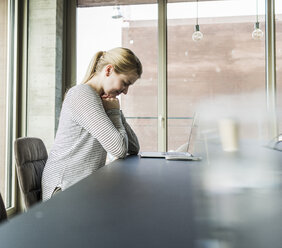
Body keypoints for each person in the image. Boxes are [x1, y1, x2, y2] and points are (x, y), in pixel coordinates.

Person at [42, 47, 142, 201]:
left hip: (82, 186)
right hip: (64, 190)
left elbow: (133, 148)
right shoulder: (82, 94)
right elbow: (119, 149)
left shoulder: (98, 100)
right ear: (108, 70)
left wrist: (115, 110)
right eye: (125, 83)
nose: (126, 91)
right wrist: (114, 112)